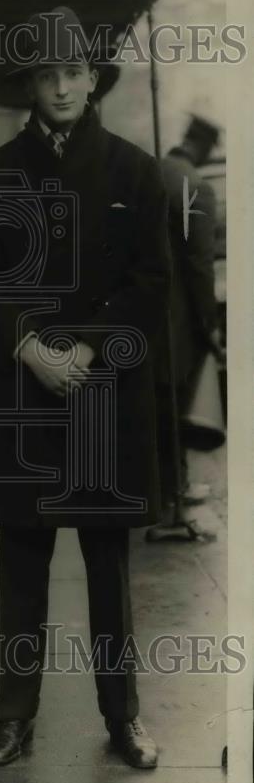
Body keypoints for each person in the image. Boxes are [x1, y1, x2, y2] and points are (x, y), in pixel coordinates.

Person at [0, 6, 170, 769]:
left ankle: (123, 717)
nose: (59, 86)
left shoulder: (134, 172)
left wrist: (81, 346)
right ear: (31, 87)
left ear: (91, 79)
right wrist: (28, 346)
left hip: (104, 394)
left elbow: (151, 287)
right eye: (45, 75)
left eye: (71, 72)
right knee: (23, 559)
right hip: (26, 396)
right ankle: (14, 715)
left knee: (109, 564)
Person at [153, 114, 221, 528]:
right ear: (207, 148)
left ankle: (164, 486)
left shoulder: (150, 169)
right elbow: (200, 265)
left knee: (157, 405)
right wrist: (209, 324)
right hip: (176, 318)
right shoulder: (196, 186)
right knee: (178, 402)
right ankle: (174, 490)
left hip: (136, 315)